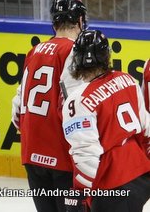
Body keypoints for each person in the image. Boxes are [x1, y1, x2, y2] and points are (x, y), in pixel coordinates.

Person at [11, 0, 87, 212]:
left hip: (31, 152)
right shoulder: (73, 51)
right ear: (80, 20)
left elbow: (17, 107)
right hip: (60, 154)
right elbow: (76, 108)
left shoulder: (34, 51)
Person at [62, 29, 150, 212]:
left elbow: (86, 155)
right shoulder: (126, 79)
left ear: (76, 60)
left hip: (112, 186)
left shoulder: (77, 100)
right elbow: (146, 129)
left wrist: (79, 194)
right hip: (141, 177)